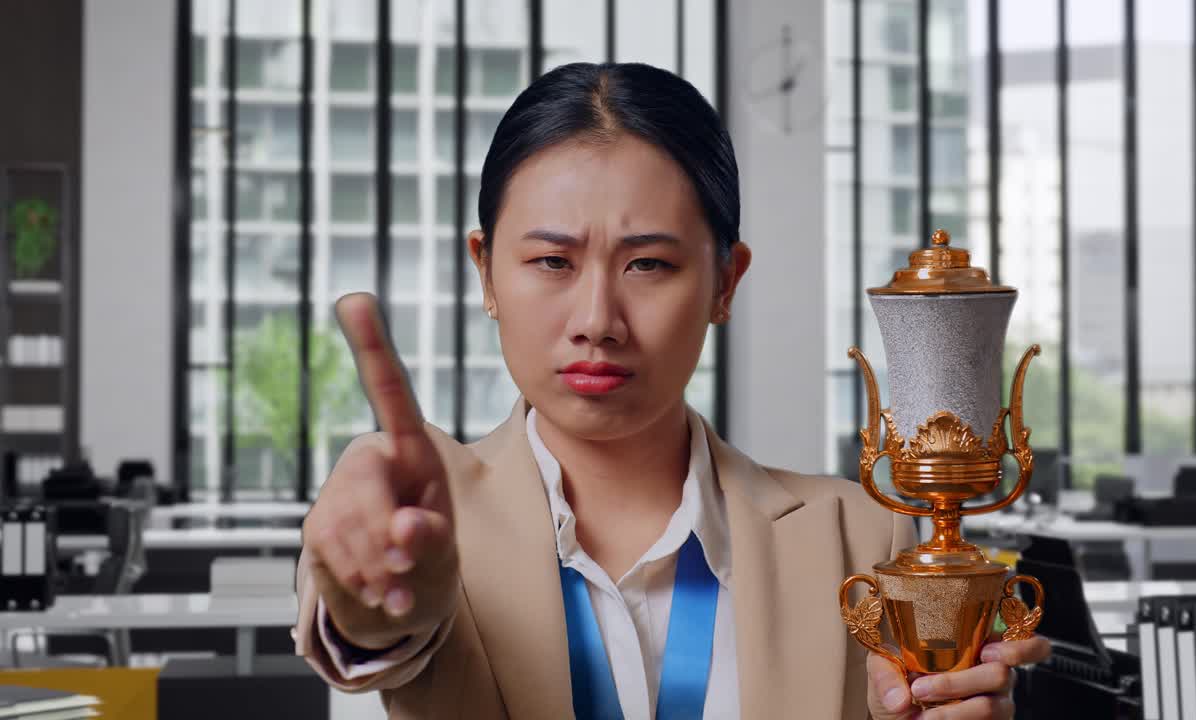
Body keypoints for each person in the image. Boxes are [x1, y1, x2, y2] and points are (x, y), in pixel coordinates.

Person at [294, 61, 1049, 719]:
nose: (597, 321)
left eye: (648, 264)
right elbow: (373, 634)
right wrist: (381, 612)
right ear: (485, 271)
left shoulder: (859, 539)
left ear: (725, 281)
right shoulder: (412, 514)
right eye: (553, 263)